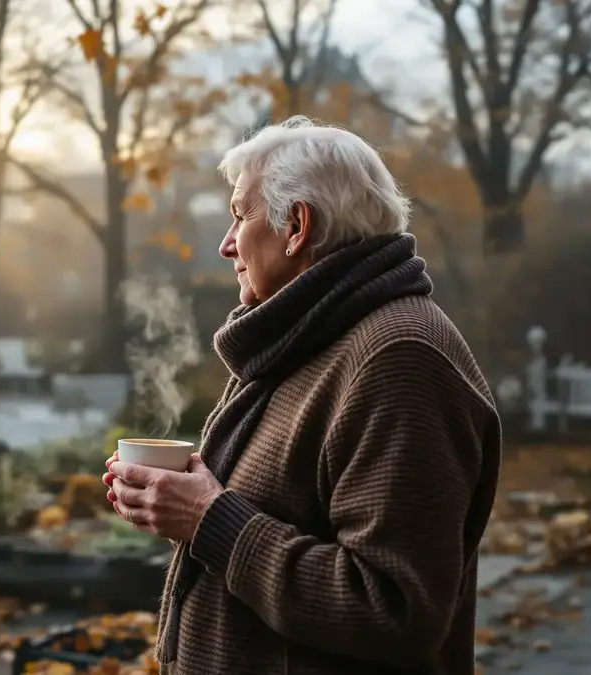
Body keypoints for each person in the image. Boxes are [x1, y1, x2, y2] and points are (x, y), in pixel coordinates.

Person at [102, 116, 501, 675]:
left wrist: (208, 520)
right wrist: (183, 495)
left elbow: (395, 611)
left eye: (240, 215)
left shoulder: (399, 359)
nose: (225, 244)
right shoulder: (311, 335)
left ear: (297, 226)